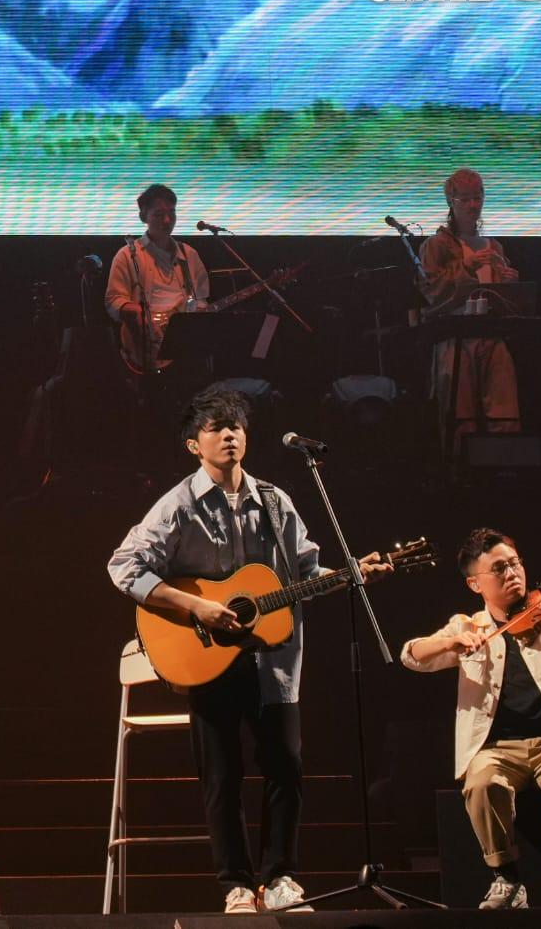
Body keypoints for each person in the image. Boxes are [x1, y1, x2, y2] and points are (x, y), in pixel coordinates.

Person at [106, 386, 389, 914]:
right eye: (215, 427)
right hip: (206, 657)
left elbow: (306, 572)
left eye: (235, 426)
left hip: (274, 658)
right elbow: (123, 566)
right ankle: (235, 885)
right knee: (223, 774)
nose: (229, 435)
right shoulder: (178, 505)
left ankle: (279, 878)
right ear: (194, 444)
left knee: (286, 766)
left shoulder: (275, 502)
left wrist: (351, 574)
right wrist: (197, 607)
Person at [400, 528, 541, 910]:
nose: (512, 573)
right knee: (481, 784)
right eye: (499, 569)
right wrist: (451, 642)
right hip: (496, 747)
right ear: (475, 583)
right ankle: (507, 879)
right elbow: (411, 655)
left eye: (515, 563)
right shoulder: (469, 626)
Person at [417, 167, 522, 452]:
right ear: (451, 202)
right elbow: (433, 291)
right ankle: (460, 468)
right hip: (456, 336)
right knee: (460, 414)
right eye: (465, 199)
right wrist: (467, 267)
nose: (473, 205)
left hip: (492, 334)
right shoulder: (436, 245)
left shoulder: (494, 246)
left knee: (504, 409)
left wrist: (509, 284)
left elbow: (503, 301)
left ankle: (502, 466)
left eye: (478, 197)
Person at [105, 184, 211, 375]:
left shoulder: (189, 255)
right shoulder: (127, 255)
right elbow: (113, 301)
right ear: (143, 217)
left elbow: (201, 298)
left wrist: (198, 312)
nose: (167, 220)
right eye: (159, 214)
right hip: (144, 348)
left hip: (183, 348)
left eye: (172, 212)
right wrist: (132, 312)